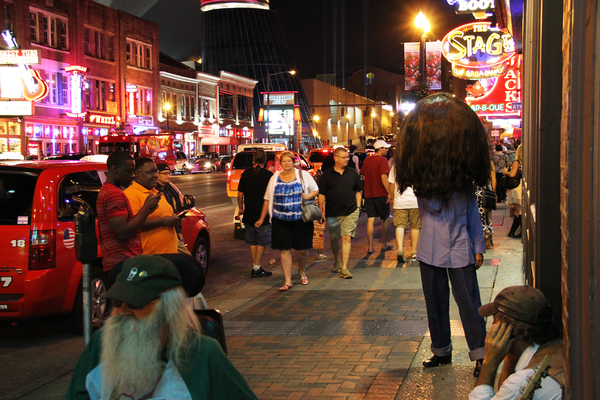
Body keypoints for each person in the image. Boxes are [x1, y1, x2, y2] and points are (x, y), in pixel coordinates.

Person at [65, 255, 258, 400]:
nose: (123, 311)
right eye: (117, 301)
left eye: (135, 302)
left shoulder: (202, 354)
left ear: (168, 308)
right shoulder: (100, 344)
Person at [395, 93, 490, 377]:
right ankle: (441, 350)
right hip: (429, 250)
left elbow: (473, 217)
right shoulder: (424, 187)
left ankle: (480, 353)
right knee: (435, 303)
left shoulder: (463, 188)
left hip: (460, 249)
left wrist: (478, 247)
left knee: (469, 303)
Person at [470, 285, 563, 400]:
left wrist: (489, 363)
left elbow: (508, 390)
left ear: (509, 331)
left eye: (494, 321)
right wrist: (510, 355)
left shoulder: (522, 382)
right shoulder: (558, 346)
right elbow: (503, 393)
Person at [255, 151, 319, 291]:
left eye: (289, 161)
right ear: (280, 163)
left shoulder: (303, 175)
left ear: (293, 162)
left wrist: (308, 196)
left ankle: (302, 271)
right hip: (280, 220)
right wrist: (262, 218)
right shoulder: (274, 178)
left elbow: (315, 190)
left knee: (301, 250)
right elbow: (267, 199)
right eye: (283, 161)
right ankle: (288, 280)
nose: (286, 163)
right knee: (284, 250)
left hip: (300, 220)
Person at [97, 152, 161, 272]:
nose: (132, 175)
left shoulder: (106, 190)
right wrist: (146, 209)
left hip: (119, 262)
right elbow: (123, 232)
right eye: (129, 171)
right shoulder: (114, 194)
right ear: (115, 169)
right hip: (123, 263)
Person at [317, 147, 362, 279]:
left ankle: (344, 268)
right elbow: (321, 195)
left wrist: (358, 207)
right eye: (344, 157)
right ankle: (337, 259)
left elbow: (358, 190)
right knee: (334, 238)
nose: (347, 159)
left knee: (346, 237)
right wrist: (321, 212)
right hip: (333, 212)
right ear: (336, 158)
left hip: (350, 210)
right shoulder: (327, 175)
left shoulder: (352, 173)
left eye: (347, 157)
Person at [124, 157, 181, 255]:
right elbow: (133, 225)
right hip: (149, 257)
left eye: (156, 171)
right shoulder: (131, 194)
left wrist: (174, 219)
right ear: (137, 173)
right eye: (150, 172)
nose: (155, 175)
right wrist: (163, 221)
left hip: (169, 255)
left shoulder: (156, 193)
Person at [237, 150, 274, 278]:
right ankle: (256, 267)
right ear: (265, 160)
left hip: (249, 212)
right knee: (261, 241)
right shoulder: (269, 175)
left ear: (253, 159)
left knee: (252, 241)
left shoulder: (246, 174)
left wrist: (241, 208)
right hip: (263, 213)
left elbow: (240, 194)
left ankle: (256, 266)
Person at [361, 139, 392, 254]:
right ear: (380, 149)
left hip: (369, 194)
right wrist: (389, 192)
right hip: (381, 193)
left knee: (371, 219)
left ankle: (370, 247)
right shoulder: (383, 160)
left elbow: (364, 177)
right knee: (385, 218)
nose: (386, 150)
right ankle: (384, 244)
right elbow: (384, 177)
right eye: (385, 148)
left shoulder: (367, 160)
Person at [156, 163, 191, 255]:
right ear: (157, 174)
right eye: (164, 173)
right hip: (164, 232)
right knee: (187, 259)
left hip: (174, 231)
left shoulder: (168, 188)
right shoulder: (155, 191)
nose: (168, 176)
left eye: (169, 173)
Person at [388, 164, 420, 264]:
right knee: (415, 226)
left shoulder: (396, 167)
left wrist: (392, 198)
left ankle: (400, 250)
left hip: (400, 201)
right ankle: (414, 251)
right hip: (415, 201)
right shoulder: (416, 165)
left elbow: (391, 184)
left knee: (400, 226)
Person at [476, 161, 497, 249]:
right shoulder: (489, 162)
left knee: (477, 216)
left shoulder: (472, 161)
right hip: (487, 192)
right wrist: (493, 193)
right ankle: (488, 237)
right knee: (487, 216)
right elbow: (493, 180)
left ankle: (478, 239)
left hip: (476, 192)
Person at [504, 145, 523, 239]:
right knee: (518, 210)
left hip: (516, 187)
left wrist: (505, 172)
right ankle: (513, 231)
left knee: (519, 210)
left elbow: (512, 174)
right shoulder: (525, 162)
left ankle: (519, 232)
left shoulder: (517, 162)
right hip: (521, 185)